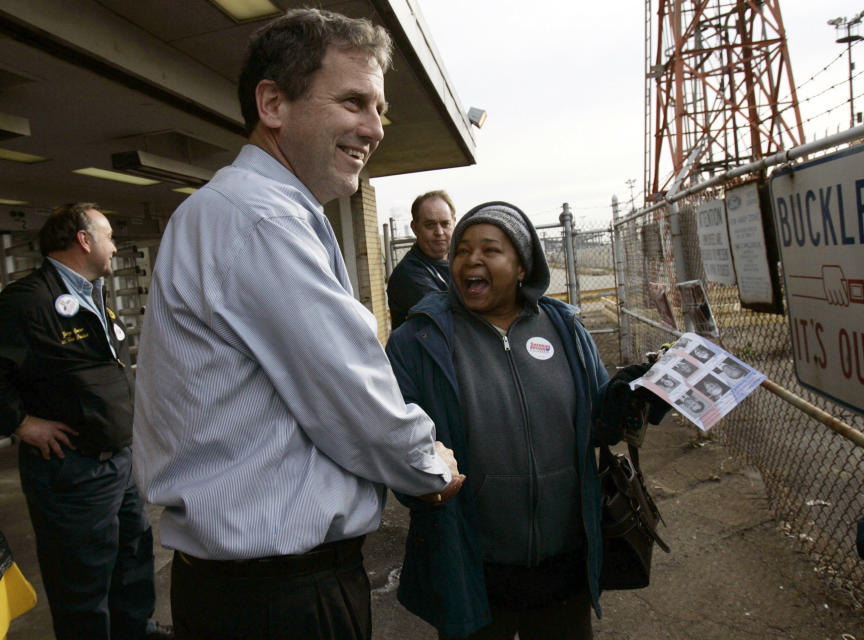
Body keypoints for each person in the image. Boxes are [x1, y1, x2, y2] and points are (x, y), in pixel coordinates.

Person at [132, 9, 463, 640]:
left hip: (247, 590)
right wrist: (428, 465)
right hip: (280, 599)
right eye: (353, 102)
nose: (375, 128)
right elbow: (347, 388)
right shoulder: (261, 219)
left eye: (379, 108)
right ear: (273, 103)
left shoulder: (245, 211)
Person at [385, 202, 668, 639]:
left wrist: (639, 394)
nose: (471, 260)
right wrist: (421, 484)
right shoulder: (418, 341)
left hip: (563, 570)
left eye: (490, 249)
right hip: (472, 569)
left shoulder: (565, 328)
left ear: (522, 265)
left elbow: (597, 424)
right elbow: (394, 444)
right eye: (462, 250)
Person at [0, 204, 171, 640]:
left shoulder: (91, 294)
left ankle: (135, 631)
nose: (115, 246)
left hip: (116, 463)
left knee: (132, 558)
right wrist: (22, 423)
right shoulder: (31, 300)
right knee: (82, 579)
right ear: (84, 241)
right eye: (108, 236)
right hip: (72, 472)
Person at [387, 190, 456, 329]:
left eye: (445, 223)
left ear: (454, 223)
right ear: (415, 228)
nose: (439, 232)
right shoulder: (408, 275)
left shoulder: (460, 262)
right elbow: (451, 318)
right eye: (430, 225)